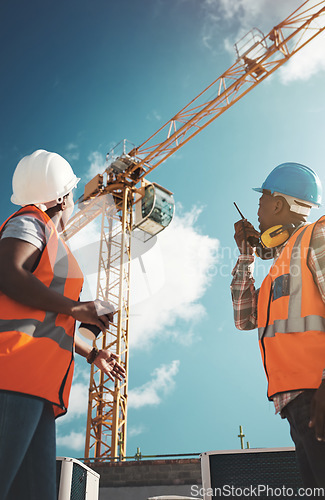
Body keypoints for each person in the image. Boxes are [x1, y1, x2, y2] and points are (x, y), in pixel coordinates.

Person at [0, 149, 126, 500]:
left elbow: (47, 321)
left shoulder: (54, 243)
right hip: (11, 374)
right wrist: (75, 307)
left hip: (37, 387)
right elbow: (8, 273)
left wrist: (92, 352)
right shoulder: (30, 222)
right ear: (64, 197)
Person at [231, 162, 325, 489]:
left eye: (261, 201)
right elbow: (244, 318)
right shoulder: (276, 273)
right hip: (296, 407)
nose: (257, 212)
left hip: (319, 392)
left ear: (277, 203)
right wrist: (246, 256)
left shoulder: (318, 235)